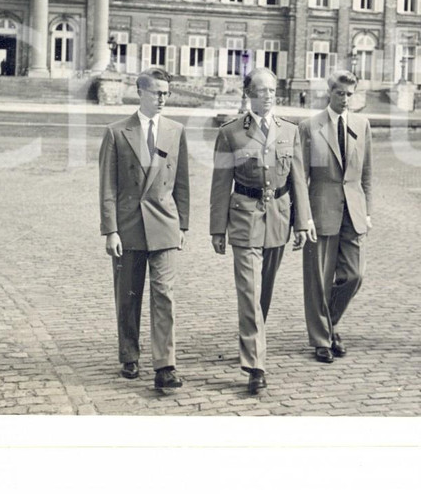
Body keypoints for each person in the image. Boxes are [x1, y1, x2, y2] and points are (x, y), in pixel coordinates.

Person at [209, 67, 312, 395]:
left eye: (271, 90)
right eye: (261, 90)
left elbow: (297, 180)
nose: (267, 96)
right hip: (244, 218)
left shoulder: (289, 131)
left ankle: (255, 340)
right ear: (248, 93)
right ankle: (255, 365)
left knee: (263, 291)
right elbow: (220, 184)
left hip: (278, 218)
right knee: (250, 292)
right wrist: (217, 229)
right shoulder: (231, 133)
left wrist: (302, 222)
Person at [98, 67, 189, 392]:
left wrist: (183, 225)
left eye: (166, 93)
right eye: (156, 93)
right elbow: (107, 186)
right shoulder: (117, 133)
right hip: (129, 225)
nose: (162, 98)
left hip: (164, 223)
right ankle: (129, 354)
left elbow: (182, 183)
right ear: (140, 92)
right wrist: (111, 230)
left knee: (164, 294)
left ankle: (165, 365)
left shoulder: (175, 131)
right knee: (129, 295)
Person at [298, 70, 373, 363]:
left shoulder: (362, 125)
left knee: (354, 275)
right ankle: (321, 340)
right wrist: (304, 218)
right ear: (329, 93)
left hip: (353, 211)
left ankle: (328, 326)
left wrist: (367, 212)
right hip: (321, 211)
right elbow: (300, 178)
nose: (345, 99)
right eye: (340, 93)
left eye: (349, 94)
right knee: (318, 280)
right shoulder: (309, 127)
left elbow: (367, 175)